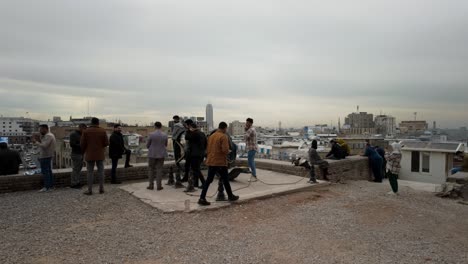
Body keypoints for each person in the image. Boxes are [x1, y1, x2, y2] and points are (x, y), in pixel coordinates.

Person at [198, 122, 239, 206]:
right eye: (226, 129)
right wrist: (229, 151)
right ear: (224, 128)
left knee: (223, 179)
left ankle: (230, 196)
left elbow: (208, 148)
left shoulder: (211, 136)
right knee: (216, 180)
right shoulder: (223, 136)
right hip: (220, 162)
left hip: (211, 160)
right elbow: (225, 150)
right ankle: (202, 198)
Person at [81, 117, 109, 195]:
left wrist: (83, 152)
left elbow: (82, 144)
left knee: (90, 172)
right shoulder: (102, 131)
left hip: (90, 154)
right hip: (100, 154)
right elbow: (106, 143)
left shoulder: (86, 131)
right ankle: (101, 189)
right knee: (101, 172)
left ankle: (90, 190)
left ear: (91, 122)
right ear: (98, 123)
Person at [184, 122, 207, 192]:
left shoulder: (194, 133)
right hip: (201, 154)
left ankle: (204, 183)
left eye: (190, 127)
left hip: (195, 154)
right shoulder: (202, 133)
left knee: (196, 169)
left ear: (192, 128)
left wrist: (188, 130)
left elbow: (186, 137)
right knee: (196, 169)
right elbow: (206, 143)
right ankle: (195, 183)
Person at [33, 124, 56, 192]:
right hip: (47, 155)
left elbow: (44, 145)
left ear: (45, 129)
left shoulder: (48, 136)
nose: (40, 131)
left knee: (45, 172)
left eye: (40, 129)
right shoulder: (49, 135)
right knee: (48, 171)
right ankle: (51, 186)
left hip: (45, 156)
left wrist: (35, 142)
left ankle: (47, 187)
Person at [146, 121, 167, 191]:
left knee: (151, 169)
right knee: (159, 170)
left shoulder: (151, 134)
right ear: (161, 126)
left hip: (152, 154)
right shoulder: (165, 135)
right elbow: (166, 144)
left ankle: (151, 185)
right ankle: (159, 186)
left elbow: (147, 145)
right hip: (161, 154)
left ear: (155, 126)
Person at [167, 115, 185, 188]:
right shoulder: (181, 126)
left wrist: (173, 136)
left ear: (177, 119)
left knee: (177, 158)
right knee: (178, 157)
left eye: (174, 119)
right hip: (178, 141)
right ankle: (180, 172)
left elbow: (174, 134)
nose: (174, 120)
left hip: (176, 142)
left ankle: (180, 173)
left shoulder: (177, 126)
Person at [69, 123, 87, 188]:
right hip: (76, 154)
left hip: (81, 154)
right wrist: (82, 145)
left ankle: (77, 182)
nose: (85, 130)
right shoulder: (73, 134)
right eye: (84, 129)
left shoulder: (82, 134)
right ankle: (74, 183)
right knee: (76, 169)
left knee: (79, 169)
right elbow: (72, 144)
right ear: (80, 128)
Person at [244, 117, 258, 182]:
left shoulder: (250, 130)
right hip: (252, 148)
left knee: (250, 162)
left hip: (251, 148)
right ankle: (254, 175)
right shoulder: (252, 129)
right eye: (246, 122)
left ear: (250, 123)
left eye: (247, 122)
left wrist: (246, 130)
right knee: (251, 162)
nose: (246, 124)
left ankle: (254, 176)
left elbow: (245, 137)